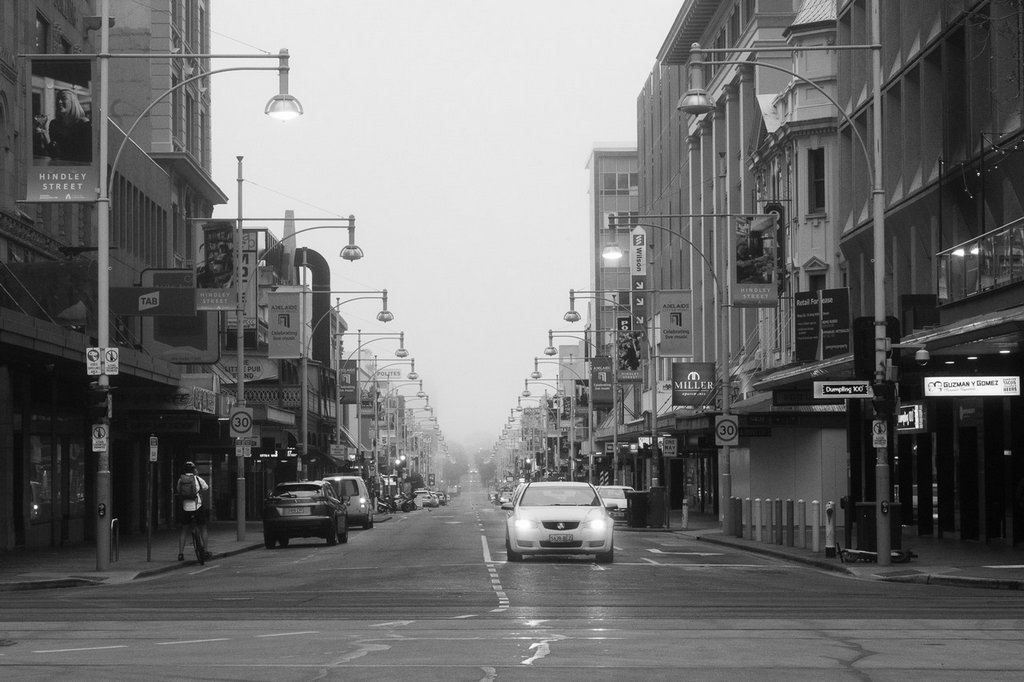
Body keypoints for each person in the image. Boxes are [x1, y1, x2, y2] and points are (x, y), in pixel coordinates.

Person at [35, 88, 92, 164]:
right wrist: (44, 134)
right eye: (58, 99)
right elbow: (54, 154)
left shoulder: (83, 124)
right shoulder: (54, 124)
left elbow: (88, 156)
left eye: (63, 98)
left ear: (73, 102)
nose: (59, 102)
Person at [175, 461, 210, 561]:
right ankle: (206, 551)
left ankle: (181, 554)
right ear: (194, 469)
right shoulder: (197, 479)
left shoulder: (180, 480)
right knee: (203, 528)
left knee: (184, 530)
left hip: (185, 508)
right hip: (197, 507)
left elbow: (178, 490)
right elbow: (206, 487)